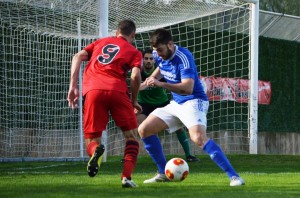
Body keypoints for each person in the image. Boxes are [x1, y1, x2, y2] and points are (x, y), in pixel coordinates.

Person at [138, 28, 245, 186]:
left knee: (198, 138)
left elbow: (187, 88)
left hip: (194, 101)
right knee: (144, 130)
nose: (158, 54)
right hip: (176, 103)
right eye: (156, 51)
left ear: (170, 44)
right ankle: (162, 173)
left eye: (160, 50)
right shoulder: (157, 54)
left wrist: (160, 84)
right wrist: (150, 80)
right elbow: (161, 66)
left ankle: (235, 177)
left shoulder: (184, 57)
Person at [67, 19, 142, 188]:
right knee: (131, 137)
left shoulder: (101, 42)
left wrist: (73, 86)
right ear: (133, 35)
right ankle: (126, 178)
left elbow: (78, 56)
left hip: (93, 91)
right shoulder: (134, 51)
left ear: (116, 32)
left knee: (92, 140)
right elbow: (135, 77)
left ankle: (95, 151)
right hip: (117, 91)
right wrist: (134, 100)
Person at [137, 48, 199, 162]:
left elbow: (172, 85)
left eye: (151, 58)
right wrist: (143, 85)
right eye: (146, 58)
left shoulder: (162, 71)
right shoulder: (137, 71)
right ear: (142, 60)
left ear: (155, 60)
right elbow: (135, 87)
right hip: (144, 104)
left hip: (161, 103)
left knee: (179, 128)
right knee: (137, 127)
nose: (149, 61)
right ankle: (129, 156)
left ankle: (189, 155)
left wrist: (160, 84)